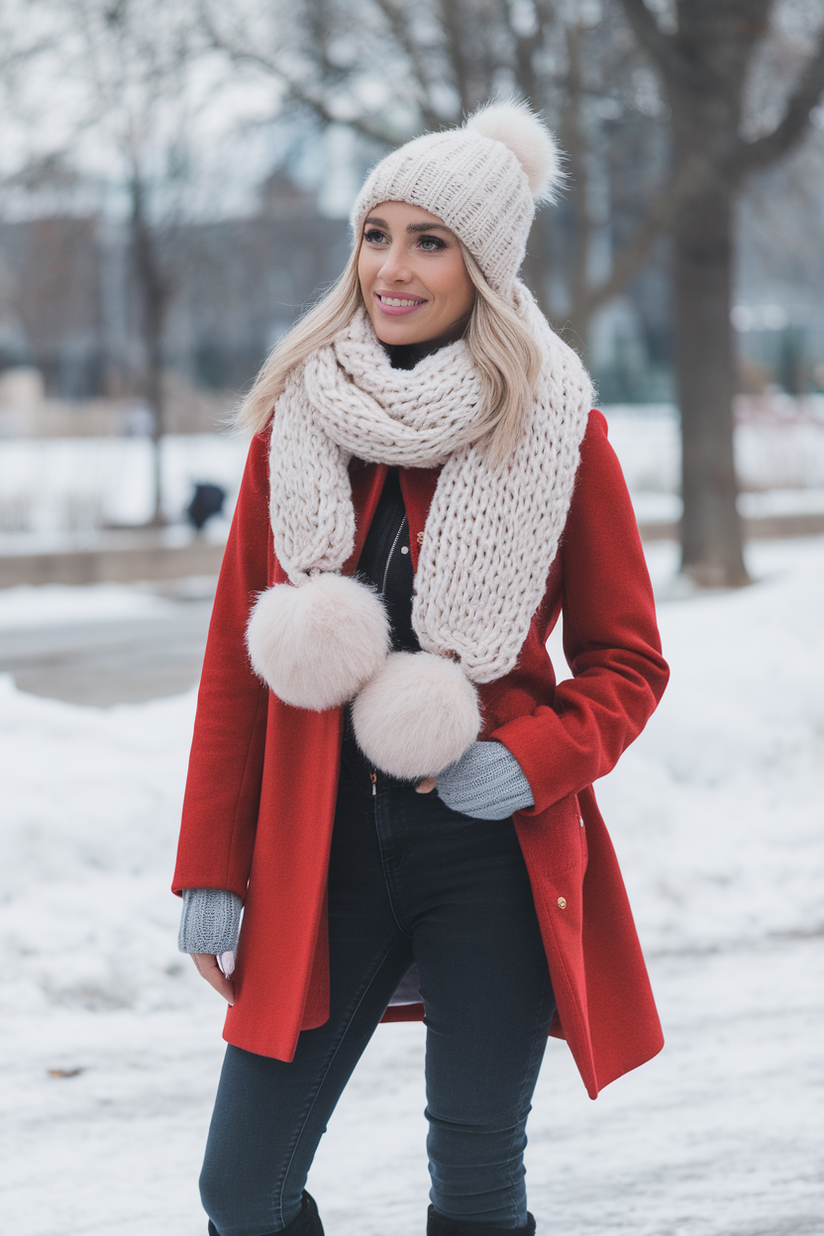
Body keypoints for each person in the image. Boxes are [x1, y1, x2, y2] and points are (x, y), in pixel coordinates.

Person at [173, 100, 669, 1236]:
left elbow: (626, 661)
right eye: (375, 234)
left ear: (482, 264)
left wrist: (531, 759)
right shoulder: (295, 422)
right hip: (321, 854)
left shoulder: (558, 431)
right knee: (241, 1192)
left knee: (477, 1183)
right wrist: (211, 867)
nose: (392, 268)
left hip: (485, 859)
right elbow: (235, 672)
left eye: (429, 241)